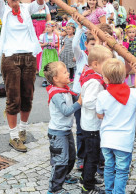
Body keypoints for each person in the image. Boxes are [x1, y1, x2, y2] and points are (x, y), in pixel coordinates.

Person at [0, 0, 44, 151]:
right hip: (11, 58)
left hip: (29, 57)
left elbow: (40, 3)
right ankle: (13, 136)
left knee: (27, 96)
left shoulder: (25, 8)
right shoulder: (4, 11)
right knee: (13, 98)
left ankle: (23, 130)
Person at [96, 59, 136, 194]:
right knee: (122, 170)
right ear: (124, 76)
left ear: (105, 78)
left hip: (107, 139)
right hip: (124, 140)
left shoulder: (102, 95)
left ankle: (109, 191)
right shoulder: (133, 94)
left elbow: (99, 115)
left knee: (109, 167)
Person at [79, 45, 114, 193]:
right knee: (93, 157)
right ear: (95, 64)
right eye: (106, 64)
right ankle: (87, 187)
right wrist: (101, 107)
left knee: (89, 154)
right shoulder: (94, 82)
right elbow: (88, 102)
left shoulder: (92, 75)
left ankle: (85, 177)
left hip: (89, 124)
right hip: (92, 126)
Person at [44, 61, 82, 193]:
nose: (68, 74)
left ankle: (65, 176)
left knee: (71, 157)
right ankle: (54, 189)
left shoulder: (66, 89)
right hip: (57, 133)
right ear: (55, 78)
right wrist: (80, 103)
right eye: (65, 72)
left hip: (66, 131)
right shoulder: (56, 94)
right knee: (60, 161)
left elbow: (75, 96)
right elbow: (66, 111)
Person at [72, 24, 99, 170]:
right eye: (92, 44)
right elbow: (74, 44)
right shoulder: (82, 55)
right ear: (86, 45)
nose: (94, 47)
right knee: (81, 129)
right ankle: (81, 157)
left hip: (94, 97)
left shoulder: (100, 59)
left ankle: (94, 156)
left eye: (96, 44)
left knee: (94, 127)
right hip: (79, 96)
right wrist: (79, 29)